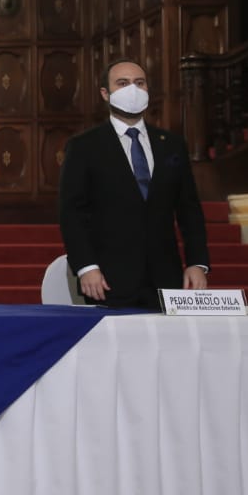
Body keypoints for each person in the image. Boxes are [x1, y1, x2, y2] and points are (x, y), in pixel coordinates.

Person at [57, 58, 209, 310]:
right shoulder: (84, 146)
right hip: (107, 280)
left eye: (139, 83)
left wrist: (197, 263)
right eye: (123, 83)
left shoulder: (171, 145)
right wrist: (86, 267)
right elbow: (71, 212)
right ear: (105, 93)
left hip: (166, 279)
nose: (133, 90)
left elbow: (189, 209)